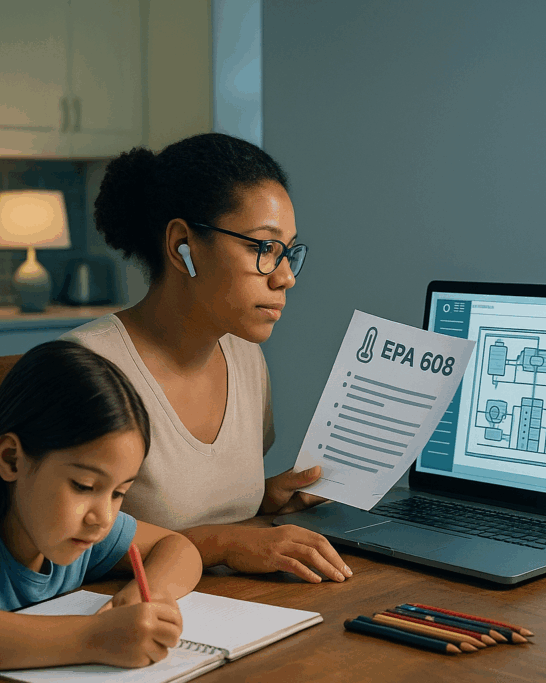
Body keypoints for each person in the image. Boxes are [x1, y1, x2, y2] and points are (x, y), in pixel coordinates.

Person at [61, 132, 352, 584]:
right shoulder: (85, 370)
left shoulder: (245, 355)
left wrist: (265, 500)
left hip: (241, 608)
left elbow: (190, 503)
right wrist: (225, 543)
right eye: (263, 248)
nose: (286, 277)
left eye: (288, 251)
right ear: (183, 246)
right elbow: (61, 535)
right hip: (130, 619)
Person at [0, 341, 203, 672]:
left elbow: (178, 547)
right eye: (84, 486)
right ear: (12, 459)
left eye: (118, 492)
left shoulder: (78, 533)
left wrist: (149, 594)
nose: (103, 518)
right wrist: (94, 638)